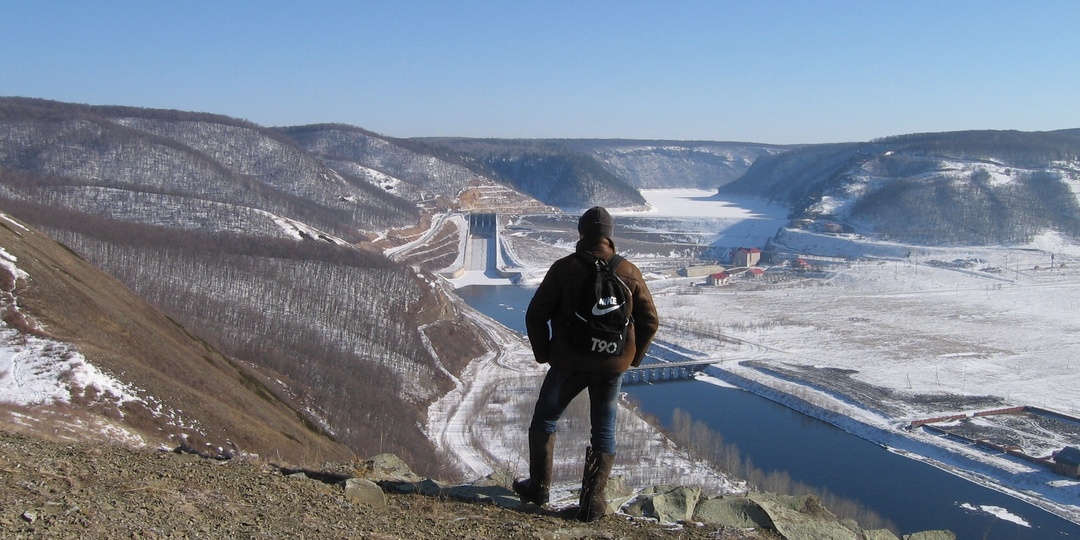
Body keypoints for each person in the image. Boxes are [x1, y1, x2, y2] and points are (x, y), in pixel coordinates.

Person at [513, 206, 659, 522]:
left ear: (582, 233)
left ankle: (538, 488)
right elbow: (650, 321)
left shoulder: (565, 268)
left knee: (545, 418)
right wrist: (632, 359)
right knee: (603, 429)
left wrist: (544, 353)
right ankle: (592, 504)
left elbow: (535, 315)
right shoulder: (629, 271)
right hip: (611, 364)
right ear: (610, 235)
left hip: (569, 360)